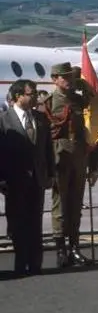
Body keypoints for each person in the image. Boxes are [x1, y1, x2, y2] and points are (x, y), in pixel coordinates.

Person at [41, 62, 94, 268]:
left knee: (76, 204)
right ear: (54, 79)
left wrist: (82, 82)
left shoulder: (77, 100)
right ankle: (61, 250)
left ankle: (74, 247)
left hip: (78, 157)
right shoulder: (49, 103)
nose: (69, 80)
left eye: (71, 76)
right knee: (60, 205)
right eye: (65, 77)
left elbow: (93, 97)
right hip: (59, 157)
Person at [0, 79, 54, 276]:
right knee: (17, 222)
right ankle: (20, 264)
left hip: (37, 180)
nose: (36, 97)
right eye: (31, 94)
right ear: (18, 96)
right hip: (14, 181)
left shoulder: (40, 119)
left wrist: (50, 173)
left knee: (35, 222)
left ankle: (35, 264)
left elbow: (48, 149)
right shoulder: (4, 120)